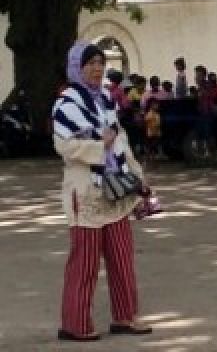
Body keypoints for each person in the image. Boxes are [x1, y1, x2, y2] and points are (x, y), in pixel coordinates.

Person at [53, 41, 153, 341]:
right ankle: (74, 324)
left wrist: (138, 176)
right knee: (84, 264)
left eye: (100, 62)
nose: (97, 68)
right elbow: (65, 147)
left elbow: (120, 141)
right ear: (77, 68)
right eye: (90, 63)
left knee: (122, 258)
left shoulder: (107, 100)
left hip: (115, 189)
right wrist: (100, 145)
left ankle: (125, 316)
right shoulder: (66, 103)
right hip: (85, 192)